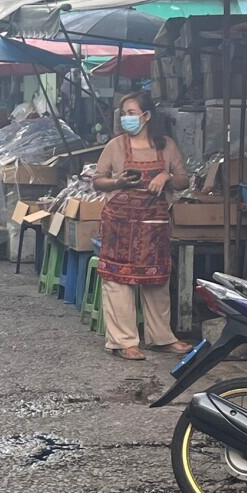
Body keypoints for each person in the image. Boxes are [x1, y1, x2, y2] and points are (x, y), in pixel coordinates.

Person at [93, 92, 192, 361]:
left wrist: (166, 176)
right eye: (124, 113)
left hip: (153, 225)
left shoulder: (166, 146)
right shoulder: (115, 146)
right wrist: (117, 182)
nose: (126, 118)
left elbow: (184, 180)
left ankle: (162, 338)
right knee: (118, 281)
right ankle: (123, 341)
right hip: (119, 224)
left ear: (146, 116)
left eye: (132, 113)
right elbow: (97, 180)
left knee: (157, 279)